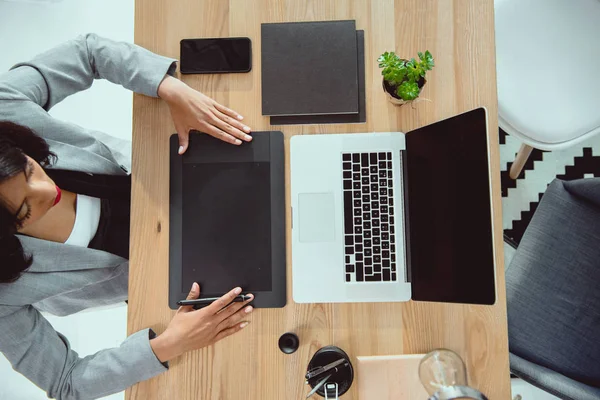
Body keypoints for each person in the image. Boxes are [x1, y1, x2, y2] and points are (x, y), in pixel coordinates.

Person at [0, 34, 255, 400]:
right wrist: (168, 345)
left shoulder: (4, 111)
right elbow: (66, 382)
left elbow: (88, 53)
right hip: (174, 272)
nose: (47, 192)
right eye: (24, 210)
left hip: (172, 178)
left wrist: (167, 86)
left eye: (29, 169)